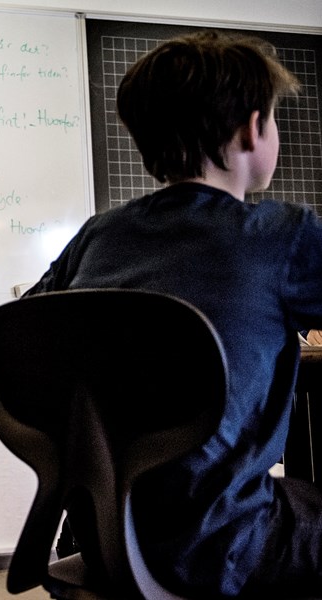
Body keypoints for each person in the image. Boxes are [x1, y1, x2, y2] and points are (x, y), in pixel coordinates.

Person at [23, 31, 322, 596]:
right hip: (232, 540)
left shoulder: (97, 236)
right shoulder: (281, 236)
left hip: (108, 536)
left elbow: (28, 330)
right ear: (253, 128)